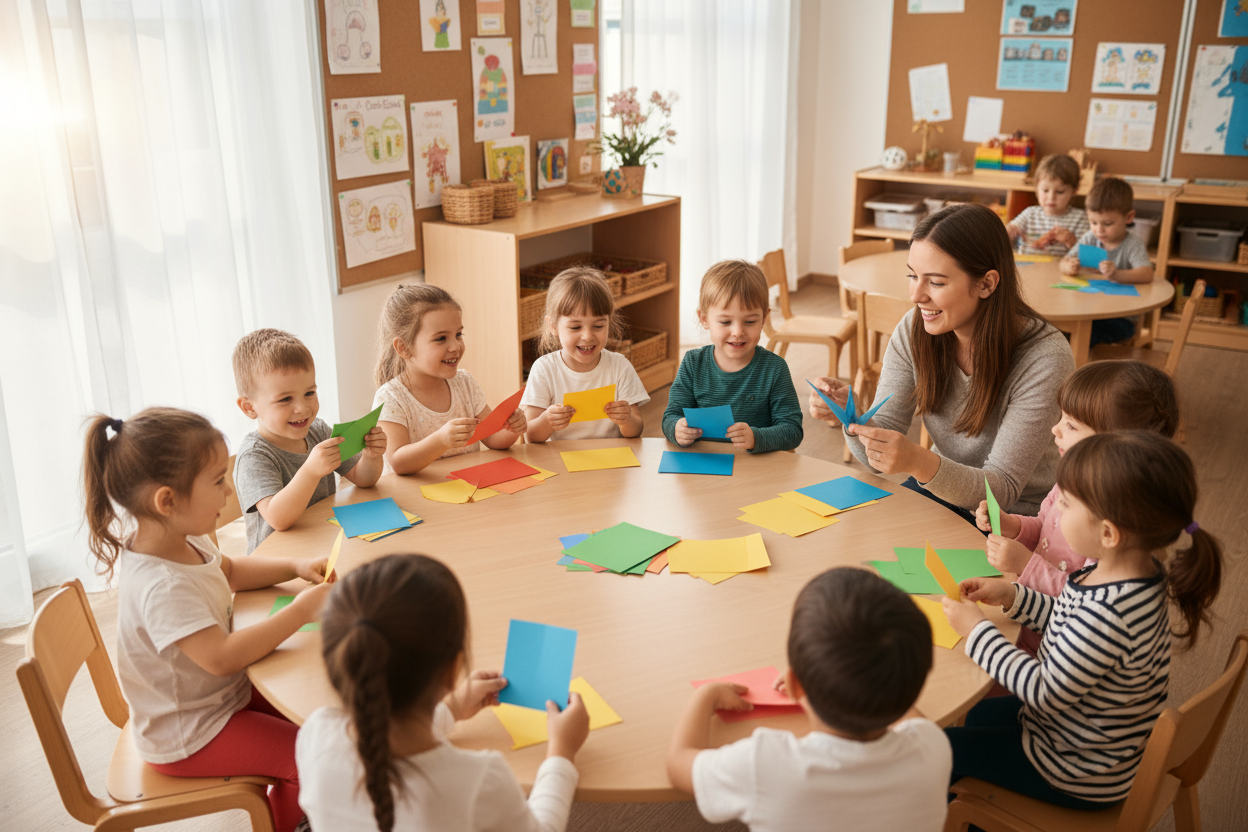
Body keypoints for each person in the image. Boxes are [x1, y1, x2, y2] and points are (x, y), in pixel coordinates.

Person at [943, 432, 1223, 808]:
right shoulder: (1129, 572)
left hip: (1074, 770)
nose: (1056, 511)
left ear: (1107, 533)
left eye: (1066, 504)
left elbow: (1043, 690)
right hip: (1078, 735)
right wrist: (1013, 596)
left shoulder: (1110, 613)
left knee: (938, 749)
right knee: (973, 714)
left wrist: (976, 631)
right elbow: (1069, 619)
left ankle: (971, 817)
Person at [83, 408, 332, 832]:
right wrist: (301, 611)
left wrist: (294, 565)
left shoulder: (179, 536)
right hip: (189, 733)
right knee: (310, 758)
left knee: (317, 710)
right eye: (218, 482)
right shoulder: (162, 586)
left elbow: (228, 571)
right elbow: (222, 658)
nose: (228, 492)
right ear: (167, 500)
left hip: (218, 699)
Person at [809, 203, 1074, 522]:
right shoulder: (914, 328)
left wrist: (918, 462)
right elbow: (877, 455)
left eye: (935, 282)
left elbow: (1001, 491)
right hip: (943, 487)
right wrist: (852, 416)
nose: (916, 296)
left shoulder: (1045, 357)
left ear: (986, 284)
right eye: (913, 276)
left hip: (1018, 515)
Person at [297, 554, 589, 832]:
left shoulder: (315, 734)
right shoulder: (478, 781)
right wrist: (561, 753)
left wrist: (452, 709)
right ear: (454, 669)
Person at [666, 567, 951, 831]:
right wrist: (877, 677)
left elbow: (678, 764)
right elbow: (910, 713)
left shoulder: (764, 766)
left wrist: (706, 695)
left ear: (793, 686)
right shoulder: (932, 746)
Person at [233, 328, 386, 554]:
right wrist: (311, 471)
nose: (302, 408)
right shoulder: (254, 457)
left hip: (323, 546)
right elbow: (278, 519)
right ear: (249, 407)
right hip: (277, 561)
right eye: (285, 399)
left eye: (309, 393)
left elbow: (364, 479)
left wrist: (371, 457)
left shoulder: (318, 432)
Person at [372, 284, 526, 475]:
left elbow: (494, 438)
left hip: (468, 486)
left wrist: (511, 428)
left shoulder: (465, 383)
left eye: (458, 335)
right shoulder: (391, 397)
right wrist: (440, 441)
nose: (455, 346)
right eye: (441, 338)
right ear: (404, 348)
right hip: (416, 491)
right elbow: (398, 462)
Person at [663, 260, 803, 453]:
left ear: (764, 318)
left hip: (758, 465)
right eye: (725, 322)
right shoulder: (693, 363)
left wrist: (756, 438)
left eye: (750, 321)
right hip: (705, 462)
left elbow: (793, 430)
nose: (737, 332)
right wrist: (677, 429)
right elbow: (671, 415)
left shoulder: (775, 368)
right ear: (704, 319)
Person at [521, 267, 649, 441]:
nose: (588, 336)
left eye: (598, 326)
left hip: (610, 455)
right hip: (560, 456)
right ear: (553, 326)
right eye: (575, 327)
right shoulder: (545, 369)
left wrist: (627, 419)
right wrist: (546, 421)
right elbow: (530, 436)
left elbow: (636, 430)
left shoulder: (620, 366)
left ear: (609, 322)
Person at [1060, 177, 1155, 346]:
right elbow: (1065, 260)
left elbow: (1147, 273)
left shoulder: (1132, 244)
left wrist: (1117, 274)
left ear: (1129, 217)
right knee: (1061, 329)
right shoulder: (1090, 237)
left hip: (1121, 317)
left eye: (1108, 223)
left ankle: (1080, 361)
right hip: (1088, 310)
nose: (1099, 230)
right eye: (1093, 222)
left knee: (1083, 334)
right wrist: (1069, 266)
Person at [1006, 154, 1089, 256]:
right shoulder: (1029, 214)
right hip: (1027, 265)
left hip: (1059, 266)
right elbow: (1007, 234)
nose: (1051, 197)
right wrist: (1008, 232)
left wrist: (1073, 242)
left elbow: (1087, 255)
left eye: (1060, 192)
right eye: (1045, 190)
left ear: (1074, 190)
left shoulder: (1080, 219)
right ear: (1037, 188)